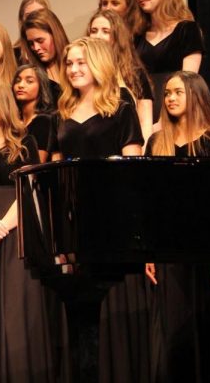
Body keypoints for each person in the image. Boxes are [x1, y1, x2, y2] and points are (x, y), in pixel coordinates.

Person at [51, 37, 146, 383]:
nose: (74, 69)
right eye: (70, 63)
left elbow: (132, 165)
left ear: (99, 64)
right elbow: (56, 167)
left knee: (114, 310)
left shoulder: (120, 108)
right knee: (79, 311)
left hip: (111, 218)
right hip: (74, 221)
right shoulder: (60, 112)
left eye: (81, 62)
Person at [0, 79, 64, 381]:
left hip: (13, 236)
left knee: (13, 314)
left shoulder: (24, 143)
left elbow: (28, 194)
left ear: (4, 105)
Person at [144, 72, 210, 383]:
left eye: (177, 92)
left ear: (195, 95)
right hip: (169, 248)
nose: (169, 98)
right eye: (167, 93)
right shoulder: (156, 142)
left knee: (205, 331)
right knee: (170, 338)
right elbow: (148, 201)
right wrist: (149, 251)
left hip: (205, 249)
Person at [134, 0, 204, 124]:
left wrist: (163, 122)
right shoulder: (137, 36)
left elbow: (188, 81)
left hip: (176, 110)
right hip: (143, 111)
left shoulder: (187, 29)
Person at [88, 9, 154, 142]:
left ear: (117, 37)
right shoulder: (84, 73)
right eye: (94, 31)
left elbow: (145, 122)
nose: (98, 36)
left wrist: (142, 155)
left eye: (105, 31)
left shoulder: (134, 73)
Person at [12, 64, 57, 163]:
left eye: (29, 81)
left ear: (41, 86)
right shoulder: (12, 121)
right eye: (18, 81)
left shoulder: (43, 121)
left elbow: (36, 164)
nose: (21, 85)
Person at [21, 8, 70, 90]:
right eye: (31, 43)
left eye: (40, 40)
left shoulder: (76, 67)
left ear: (55, 35)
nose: (36, 48)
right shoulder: (34, 78)